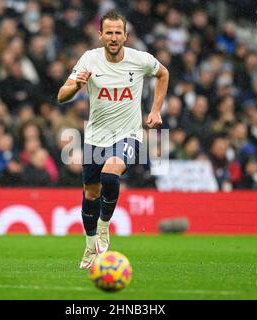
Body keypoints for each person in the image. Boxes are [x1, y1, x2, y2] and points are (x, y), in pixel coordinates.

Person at [57, 11, 169, 269]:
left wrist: (155, 110)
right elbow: (62, 95)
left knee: (110, 175)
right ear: (101, 35)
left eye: (118, 32)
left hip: (128, 135)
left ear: (126, 36)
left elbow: (163, 74)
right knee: (91, 193)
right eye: (109, 32)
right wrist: (76, 86)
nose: (114, 37)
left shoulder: (140, 59)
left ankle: (104, 225)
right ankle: (89, 246)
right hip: (96, 138)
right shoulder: (89, 59)